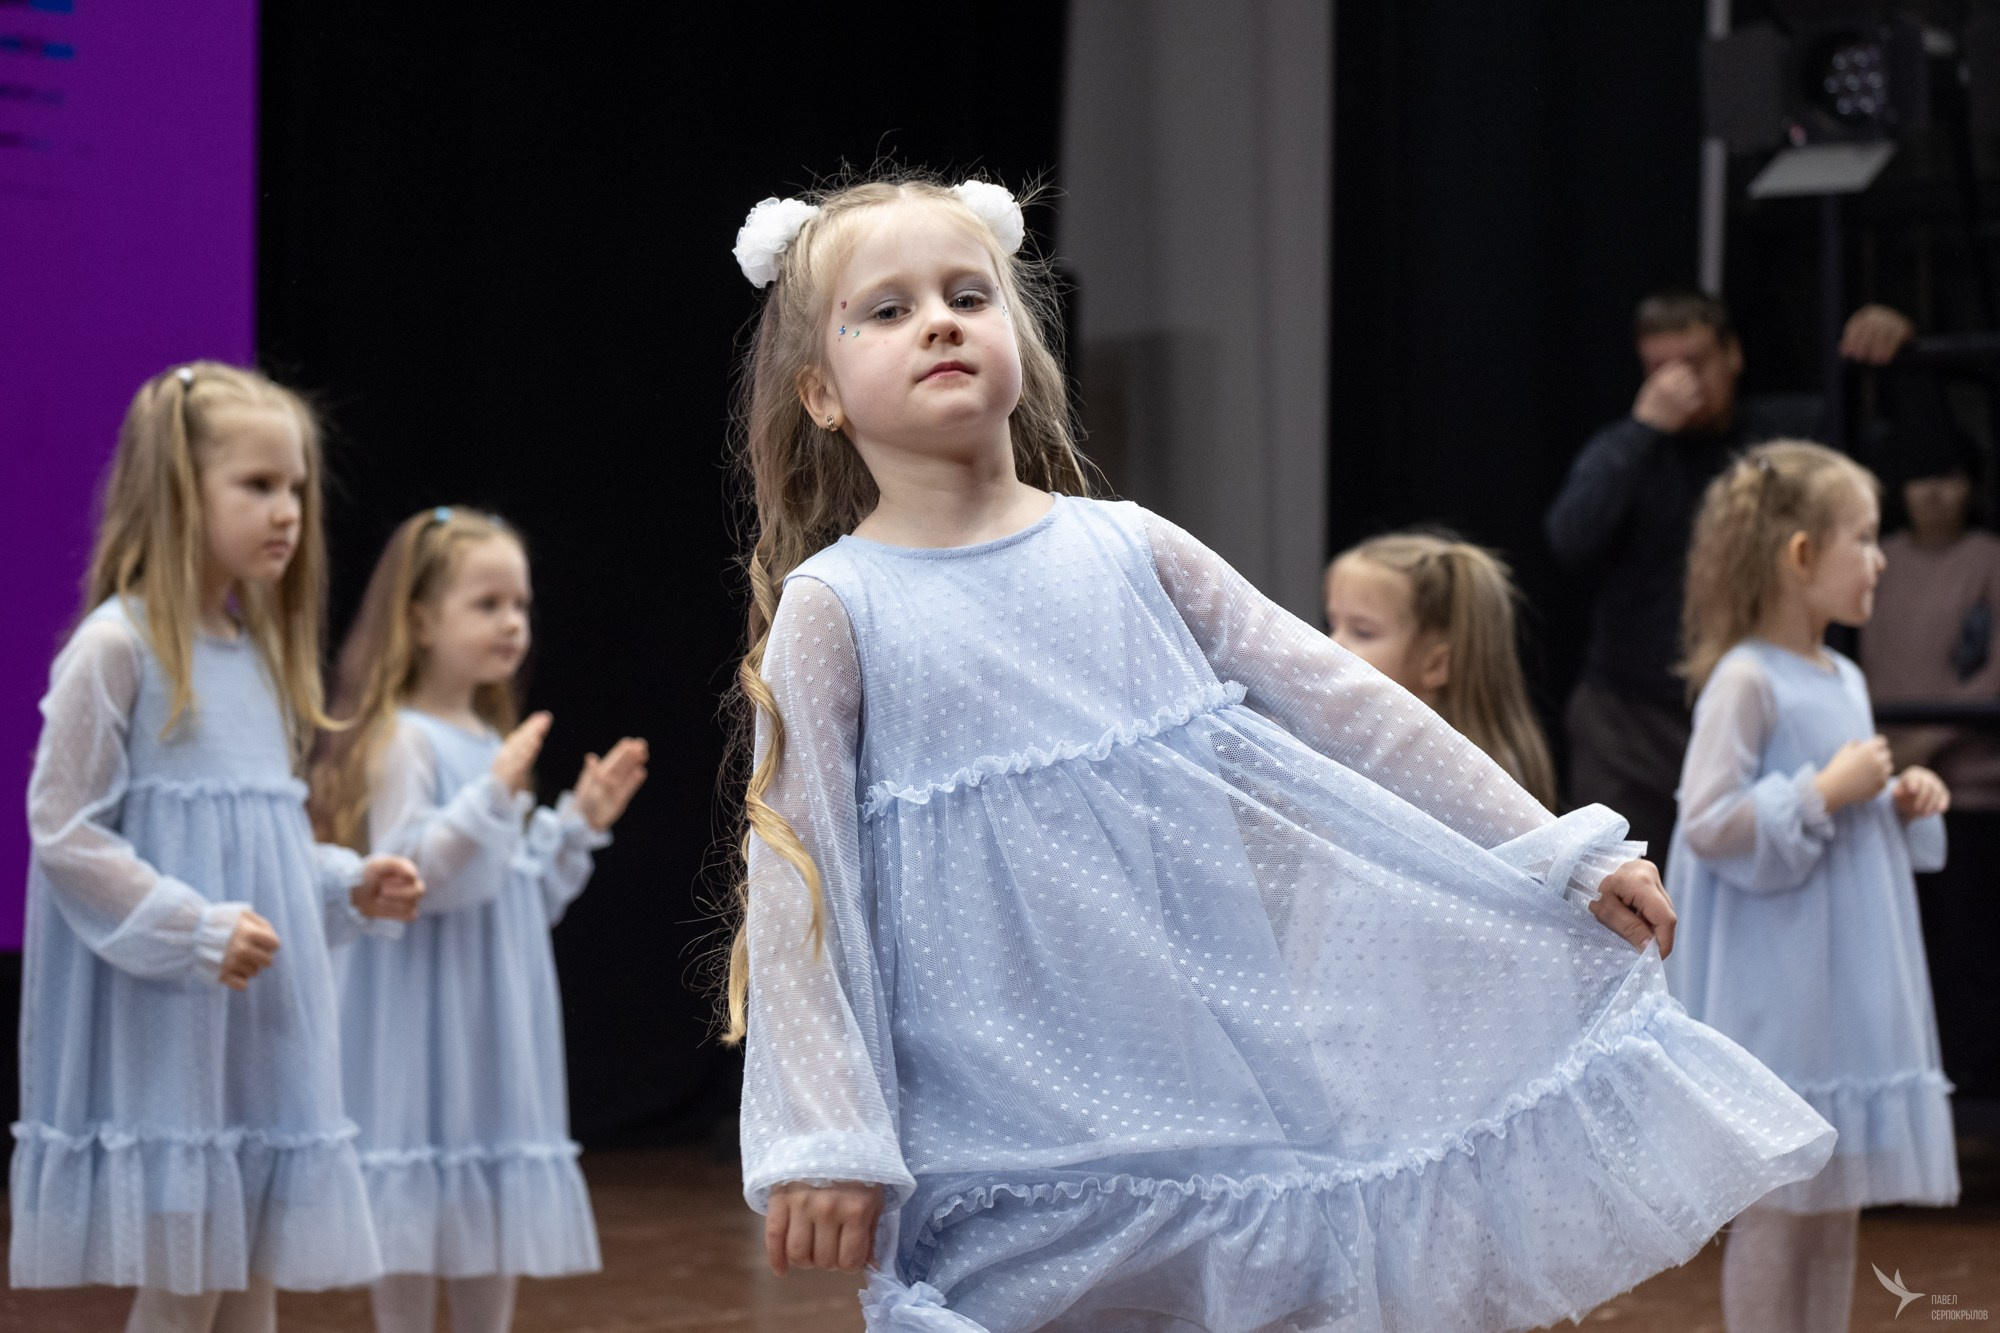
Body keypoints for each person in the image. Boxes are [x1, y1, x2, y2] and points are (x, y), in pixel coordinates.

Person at [723, 173, 1836, 1333]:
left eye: (968, 295)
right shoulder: (837, 606)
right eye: (887, 310)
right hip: (988, 1112)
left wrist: (1556, 850)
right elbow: (801, 874)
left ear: (1022, 340)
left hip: (1190, 1073)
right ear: (820, 392)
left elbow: (1349, 706)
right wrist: (826, 1129)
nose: (939, 323)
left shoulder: (1125, 547)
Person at [10, 362, 424, 1332]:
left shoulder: (256, 659)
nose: (287, 512)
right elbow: (63, 829)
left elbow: (262, 848)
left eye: (297, 488)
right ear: (177, 491)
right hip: (175, 1044)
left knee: (249, 1284)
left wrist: (345, 883)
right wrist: (191, 928)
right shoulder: (117, 648)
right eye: (257, 484)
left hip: (256, 1041)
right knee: (185, 1287)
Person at [307, 506, 648, 1333]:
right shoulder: (406, 739)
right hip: (420, 1016)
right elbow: (411, 872)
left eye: (521, 604)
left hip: (487, 1017)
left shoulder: (490, 737)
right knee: (412, 1197)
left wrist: (575, 824)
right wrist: (491, 795)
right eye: (487, 603)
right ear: (421, 620)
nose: (512, 622)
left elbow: (516, 896)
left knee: (488, 1200)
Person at [1663, 440, 1959, 1333]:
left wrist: (1897, 798)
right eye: (1863, 539)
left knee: (1834, 1206)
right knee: (1778, 1208)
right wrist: (1823, 789)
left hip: (1843, 988)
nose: (1880, 559)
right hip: (1780, 986)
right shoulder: (1746, 679)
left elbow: (1845, 805)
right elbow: (1707, 819)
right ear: (1800, 555)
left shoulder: (1847, 677)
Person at [1545, 291, 1915, 856]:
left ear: (1733, 354)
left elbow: (1916, 467)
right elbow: (1569, 537)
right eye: (1658, 368)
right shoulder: (1630, 447)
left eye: (1693, 363)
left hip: (1760, 702)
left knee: (1760, 864)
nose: (1678, 384)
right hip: (1629, 719)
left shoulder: (1788, 434)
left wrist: (1903, 364)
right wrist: (1645, 427)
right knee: (1614, 884)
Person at [1861, 427, 2000, 1107]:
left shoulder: (1989, 557)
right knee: (1901, 951)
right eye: (1920, 478)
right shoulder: (1876, 559)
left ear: (1972, 484)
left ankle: (1974, 1094)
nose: (1935, 493)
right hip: (1879, 790)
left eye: (1949, 476)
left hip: (1972, 789)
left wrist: (1928, 739)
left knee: (1973, 949)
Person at [1325, 530, 1559, 808]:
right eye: (1332, 626)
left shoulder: (1464, 783)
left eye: (1363, 632)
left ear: (1436, 664)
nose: (1331, 644)